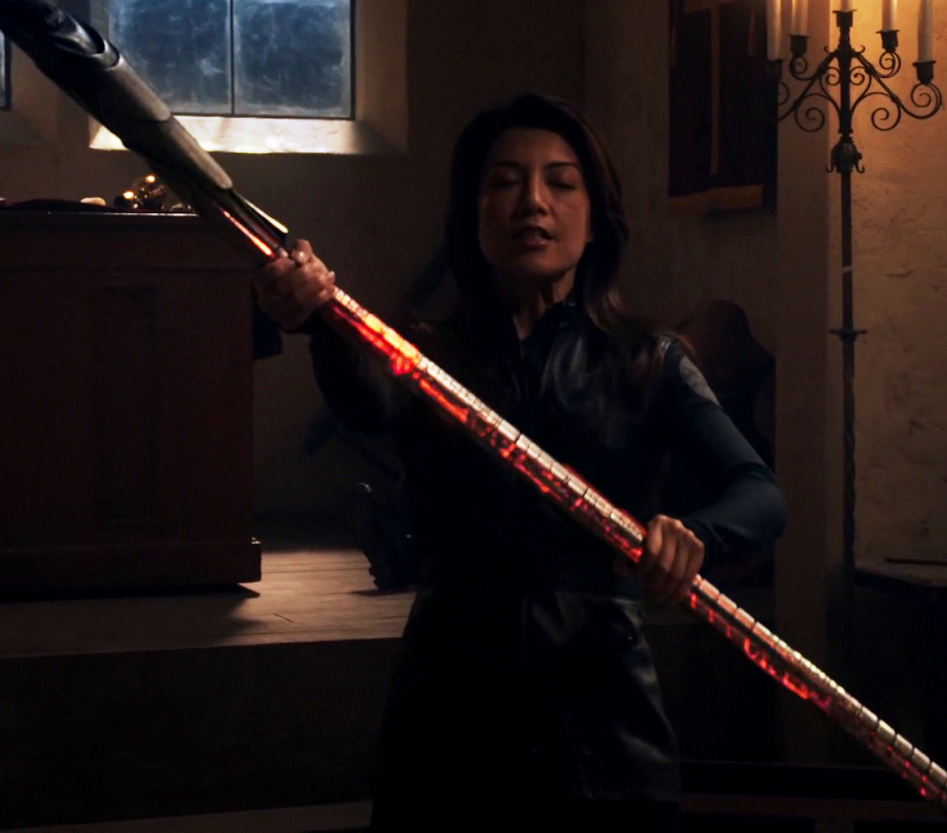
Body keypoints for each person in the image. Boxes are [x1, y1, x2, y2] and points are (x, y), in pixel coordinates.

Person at [252, 93, 788, 831]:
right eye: (504, 182)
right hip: (449, 707)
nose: (532, 202)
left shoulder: (649, 359)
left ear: (596, 219)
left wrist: (696, 534)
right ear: (472, 218)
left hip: (603, 717)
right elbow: (364, 401)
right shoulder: (424, 358)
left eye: (560, 183)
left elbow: (760, 494)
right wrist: (321, 318)